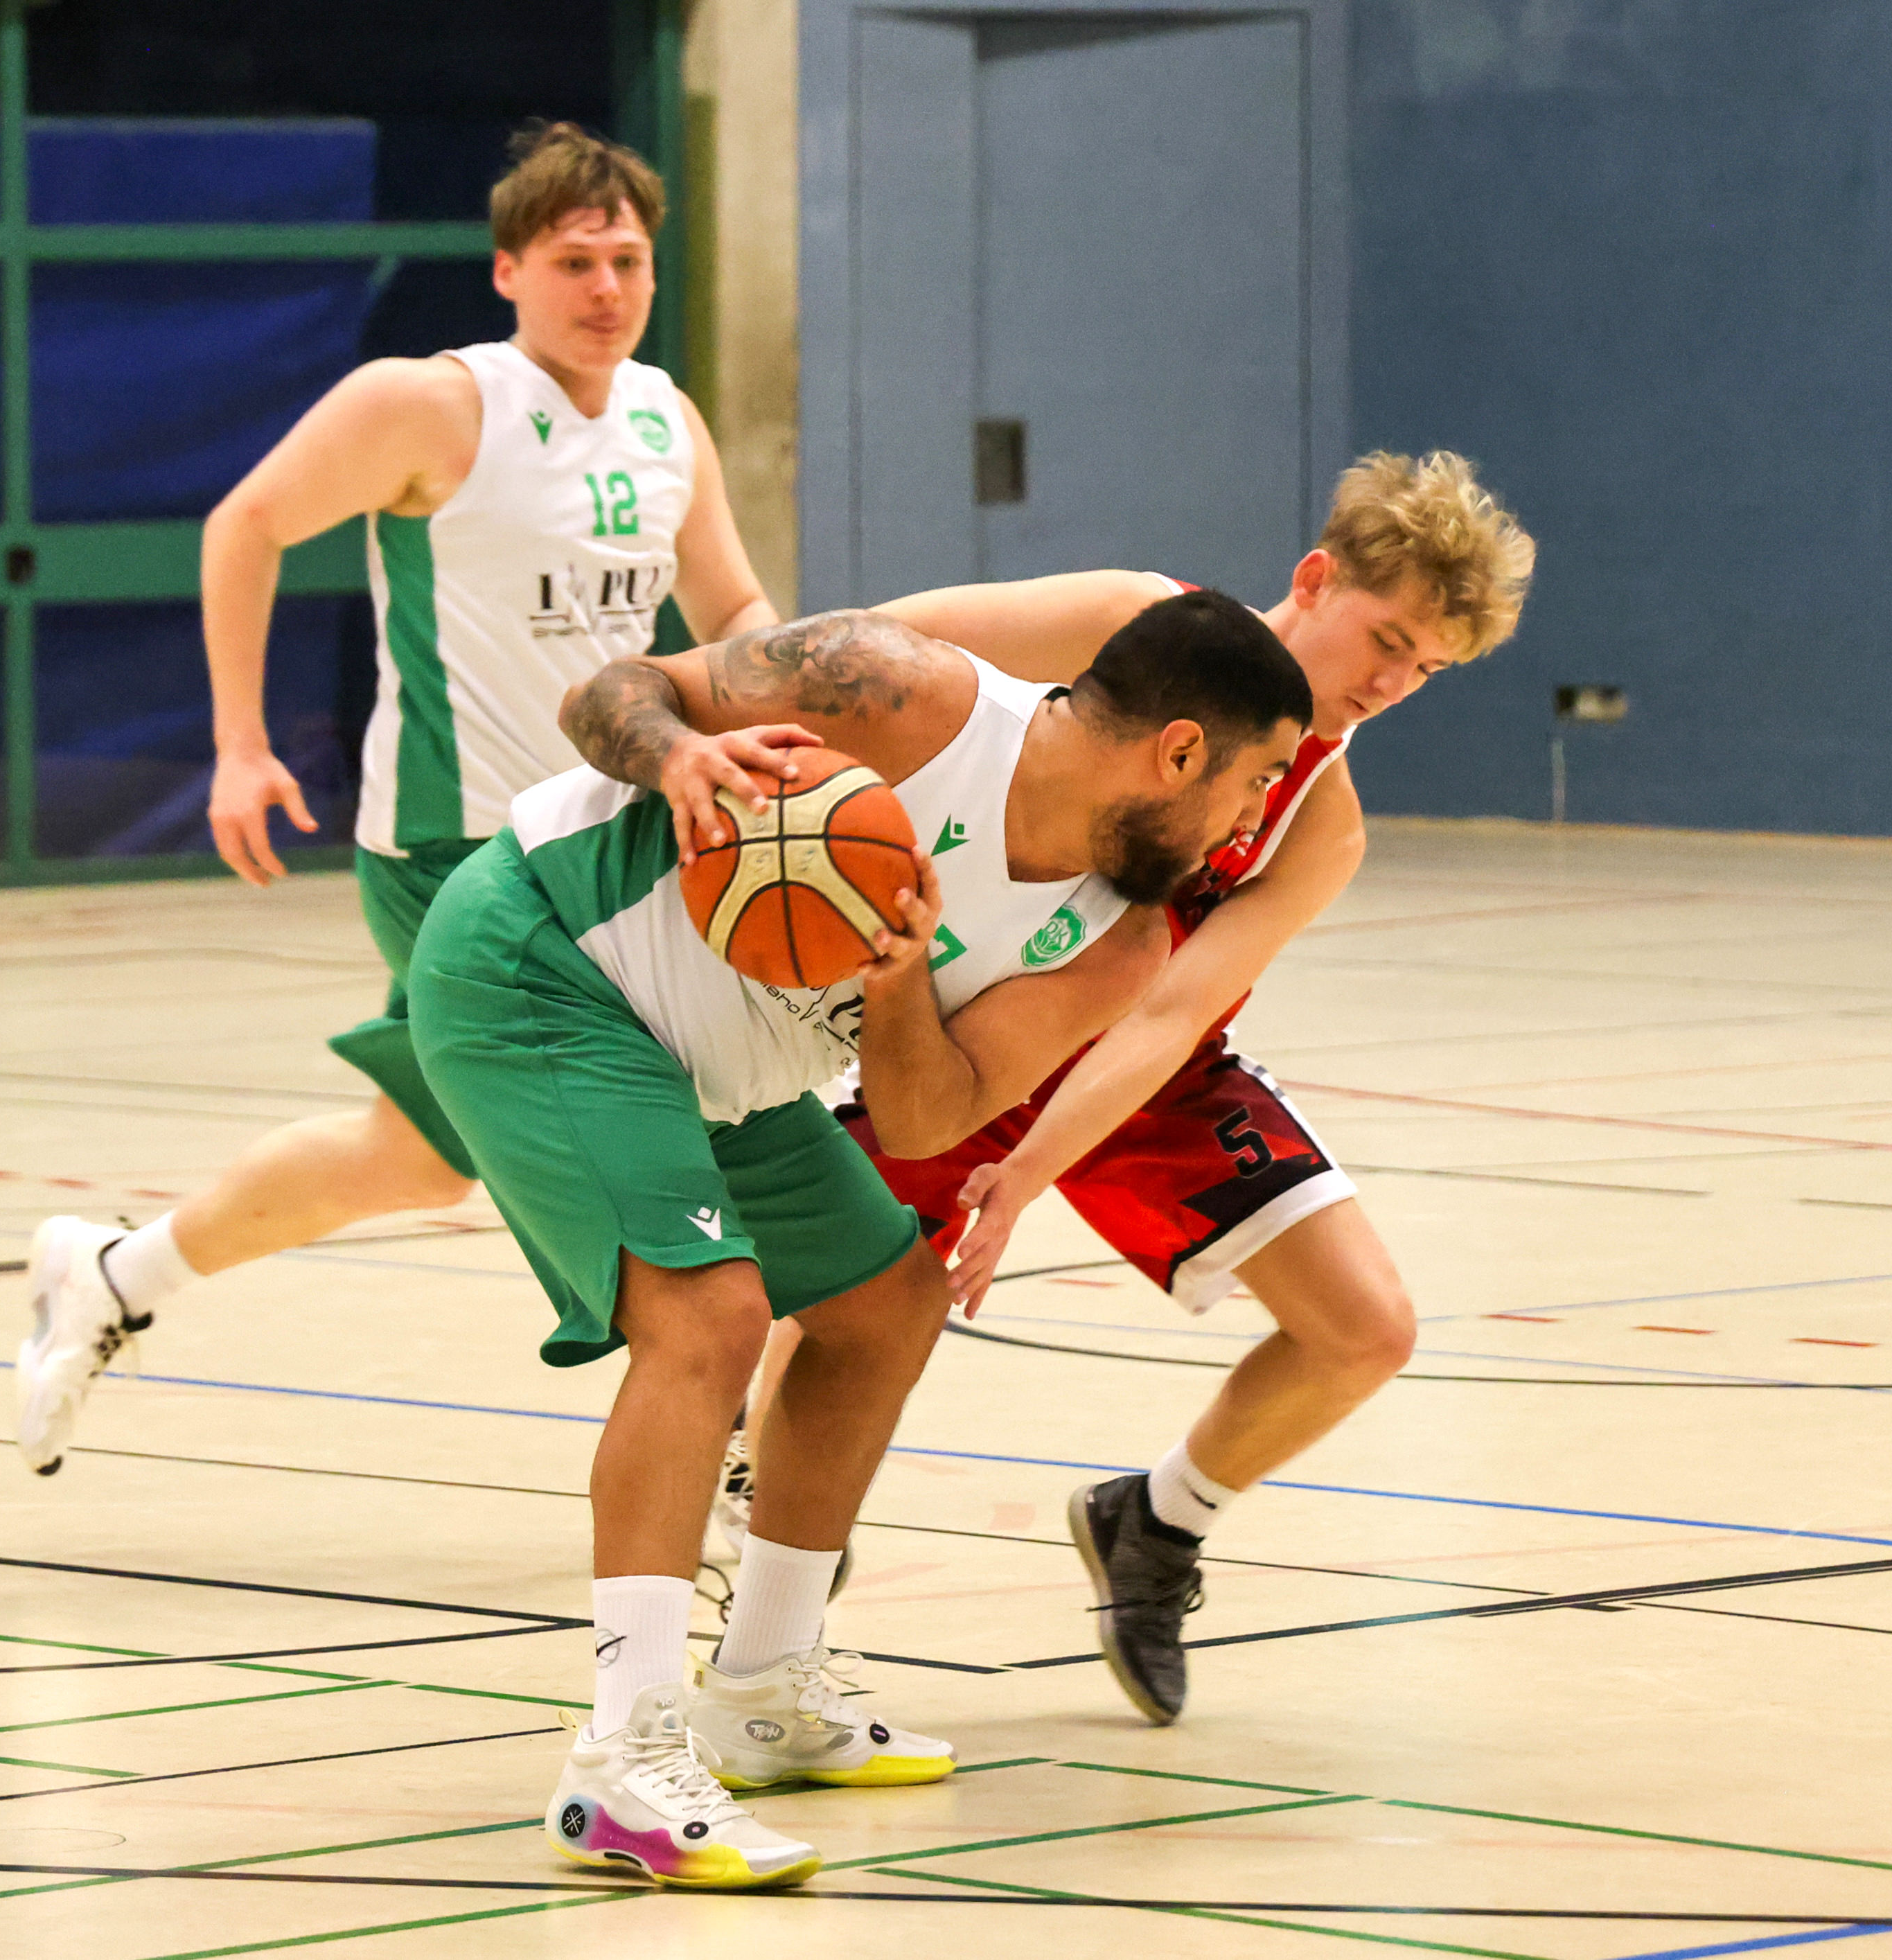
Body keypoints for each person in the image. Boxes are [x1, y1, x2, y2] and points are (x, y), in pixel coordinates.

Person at [441, 593, 1310, 1887]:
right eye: (1255, 780)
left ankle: (761, 1689)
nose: (1252, 819)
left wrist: (899, 985)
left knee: (887, 1298)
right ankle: (622, 1759)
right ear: (1179, 751)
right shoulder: (902, 693)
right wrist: (678, 755)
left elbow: (922, 1120)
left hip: (724, 1071)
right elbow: (608, 690)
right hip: (546, 960)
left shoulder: (1121, 941)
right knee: (710, 1317)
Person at [12, 123, 777, 1472]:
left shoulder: (667, 417)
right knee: (624, 1125)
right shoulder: (431, 406)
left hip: (610, 848)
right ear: (508, 271)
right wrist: (239, 744)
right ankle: (715, 1433)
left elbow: (732, 612)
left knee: (420, 1154)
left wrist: (790, 724)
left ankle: (114, 1273)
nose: (607, 287)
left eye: (629, 260)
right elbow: (244, 524)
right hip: (456, 855)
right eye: (575, 261)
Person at [838, 452, 1536, 1724]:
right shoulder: (1129, 621)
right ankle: (761, 1558)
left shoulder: (1319, 822)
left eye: (1427, 669)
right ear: (1313, 578)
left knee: (1366, 1329)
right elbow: (875, 648)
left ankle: (1155, 1523)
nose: (1391, 684)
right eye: (1387, 640)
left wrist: (1027, 1171)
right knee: (843, 1329)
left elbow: (1163, 1013)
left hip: (1141, 1071)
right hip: (967, 1024)